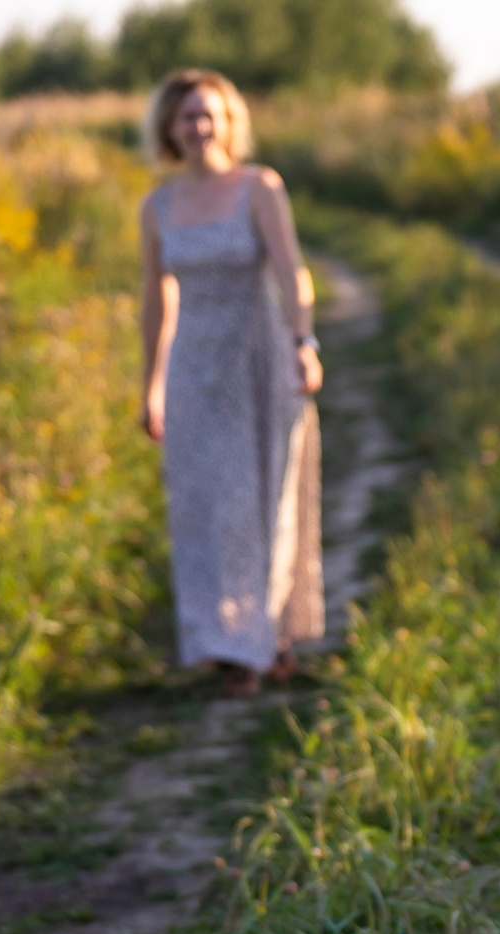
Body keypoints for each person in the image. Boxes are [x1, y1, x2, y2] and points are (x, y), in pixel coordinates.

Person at [138, 67, 323, 696]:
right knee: (204, 507)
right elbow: (154, 304)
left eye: (208, 114)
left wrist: (305, 343)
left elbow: (293, 272)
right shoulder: (158, 207)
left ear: (227, 121)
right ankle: (221, 637)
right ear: (169, 127)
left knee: (263, 498)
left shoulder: (258, 188)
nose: (197, 127)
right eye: (186, 116)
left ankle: (263, 641)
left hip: (260, 357)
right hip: (194, 367)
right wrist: (150, 386)